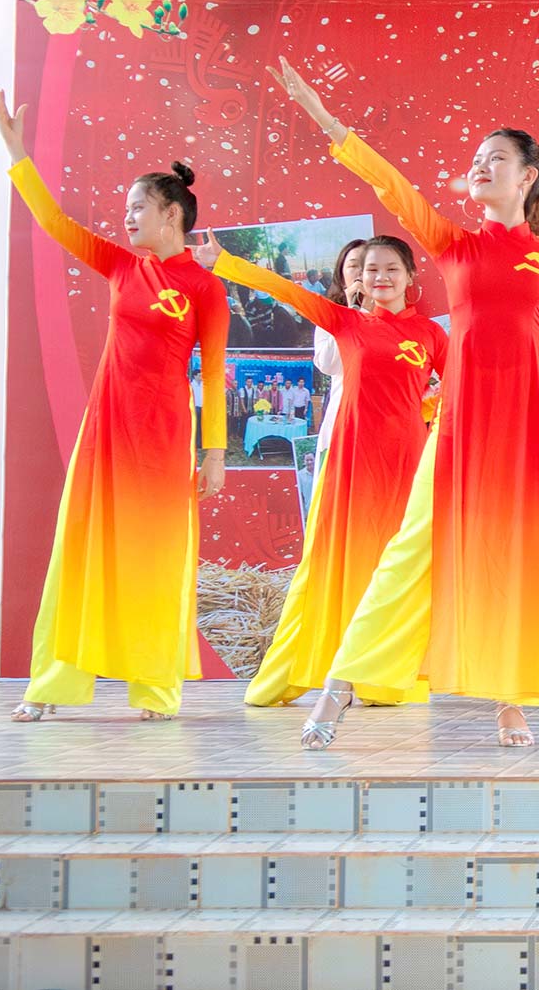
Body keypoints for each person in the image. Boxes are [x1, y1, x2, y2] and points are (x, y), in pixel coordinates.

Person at [272, 56, 539, 750]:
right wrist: (325, 119)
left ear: (528, 176)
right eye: (476, 159)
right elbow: (392, 185)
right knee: (415, 547)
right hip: (466, 419)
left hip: (534, 420)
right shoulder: (453, 244)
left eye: (495, 159)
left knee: (518, 554)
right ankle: (342, 683)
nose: (480, 166)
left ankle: (511, 702)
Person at [0, 92, 228, 723]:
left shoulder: (205, 287)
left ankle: (155, 688)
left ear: (171, 213)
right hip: (105, 431)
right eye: (126, 210)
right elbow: (54, 222)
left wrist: (213, 454)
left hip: (164, 438)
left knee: (155, 555)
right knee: (82, 549)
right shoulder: (122, 266)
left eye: (137, 208)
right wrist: (16, 153)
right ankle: (52, 684)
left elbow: (214, 373)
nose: (126, 219)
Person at [193, 234, 448, 716]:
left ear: (411, 277)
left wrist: (432, 416)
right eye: (371, 269)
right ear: (359, 278)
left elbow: (461, 387)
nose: (381, 277)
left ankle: (384, 674)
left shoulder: (431, 335)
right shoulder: (345, 321)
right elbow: (287, 291)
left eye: (391, 269)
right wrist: (225, 262)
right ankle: (307, 669)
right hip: (351, 460)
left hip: (408, 463)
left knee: (393, 565)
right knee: (336, 562)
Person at [312, 238, 369, 475]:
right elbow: (328, 364)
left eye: (369, 264)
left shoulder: (397, 319)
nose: (361, 272)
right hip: (344, 423)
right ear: (341, 275)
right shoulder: (331, 316)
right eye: (354, 265)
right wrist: (355, 313)